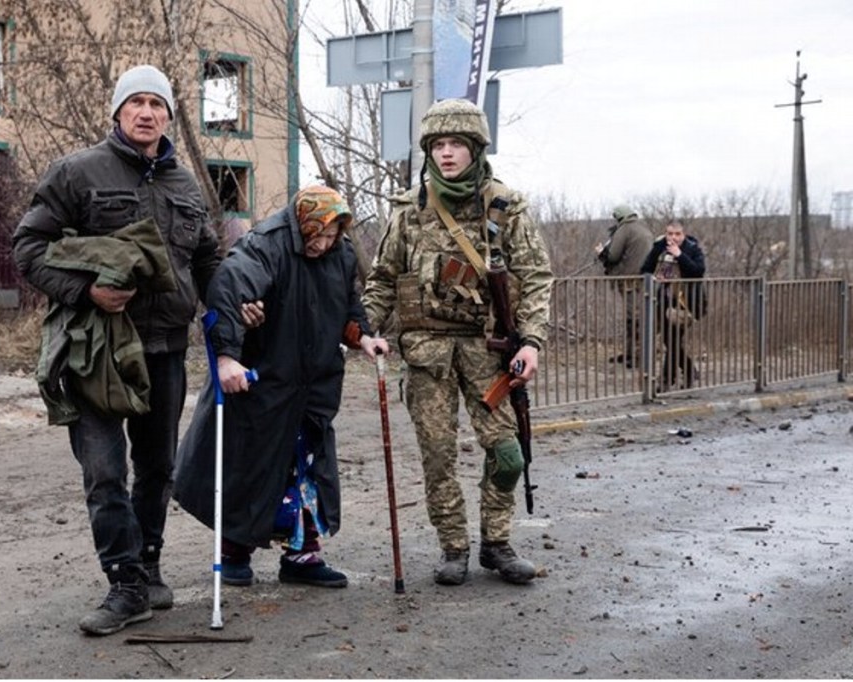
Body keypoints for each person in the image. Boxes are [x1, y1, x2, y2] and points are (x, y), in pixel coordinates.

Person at [11, 65, 221, 635]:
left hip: (165, 348)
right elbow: (28, 246)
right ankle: (124, 584)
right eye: (137, 103)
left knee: (157, 468)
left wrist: (229, 314)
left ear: (169, 116)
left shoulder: (185, 185)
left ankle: (147, 570)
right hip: (96, 348)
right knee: (105, 471)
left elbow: (206, 261)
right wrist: (85, 291)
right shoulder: (78, 173)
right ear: (118, 113)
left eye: (158, 103)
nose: (147, 112)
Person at [361, 99, 553, 586]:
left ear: (475, 149)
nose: (447, 154)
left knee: (507, 452)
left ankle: (497, 542)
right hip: (427, 356)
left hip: (489, 353)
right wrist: (366, 329)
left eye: (456, 145)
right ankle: (454, 546)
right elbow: (383, 278)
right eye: (438, 145)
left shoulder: (505, 208)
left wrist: (530, 341)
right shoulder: (411, 210)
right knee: (439, 456)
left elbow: (534, 278)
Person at [173, 185, 389, 589]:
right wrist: (226, 356)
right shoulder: (266, 245)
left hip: (314, 382)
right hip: (265, 379)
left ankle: (302, 554)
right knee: (250, 465)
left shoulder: (339, 254)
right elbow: (227, 290)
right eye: (317, 234)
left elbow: (348, 304)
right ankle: (233, 551)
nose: (322, 244)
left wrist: (363, 336)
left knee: (306, 465)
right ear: (302, 222)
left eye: (331, 236)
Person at [640, 219, 707, 390]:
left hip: (687, 304)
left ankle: (666, 380)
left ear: (683, 234)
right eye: (670, 233)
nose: (673, 238)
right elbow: (645, 268)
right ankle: (689, 370)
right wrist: (654, 277)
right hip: (665, 301)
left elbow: (698, 272)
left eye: (677, 234)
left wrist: (679, 255)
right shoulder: (660, 246)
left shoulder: (692, 248)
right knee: (671, 341)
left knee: (672, 339)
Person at [596, 204, 654, 368]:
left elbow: (613, 256)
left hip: (629, 281)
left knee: (634, 319)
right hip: (645, 280)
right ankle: (632, 353)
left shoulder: (624, 229)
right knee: (638, 317)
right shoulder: (643, 229)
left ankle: (636, 356)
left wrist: (602, 254)